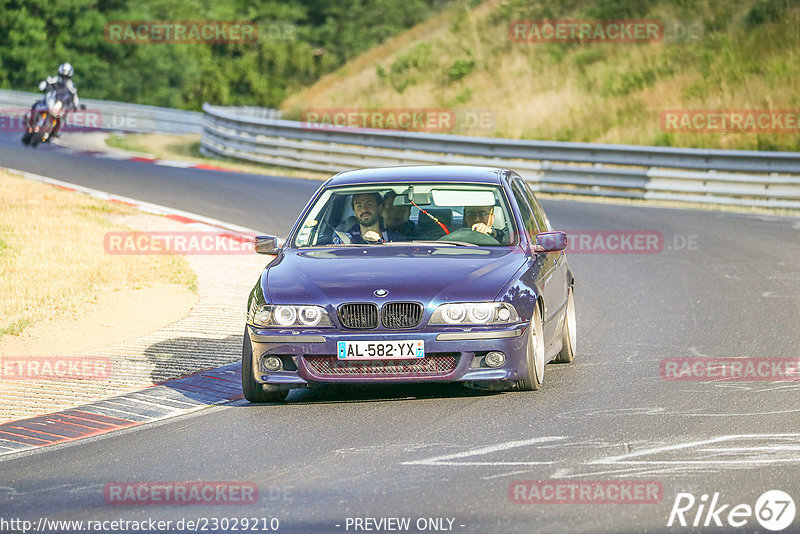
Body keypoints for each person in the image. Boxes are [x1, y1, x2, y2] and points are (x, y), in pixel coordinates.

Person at [334, 192, 406, 244]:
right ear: (355, 212)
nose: (364, 209)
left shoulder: (396, 240)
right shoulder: (343, 241)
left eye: (369, 204)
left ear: (379, 208)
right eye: (359, 206)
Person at [33, 63, 81, 138]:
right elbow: (46, 82)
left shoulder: (71, 85)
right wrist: (43, 85)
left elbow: (75, 95)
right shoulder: (55, 79)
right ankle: (34, 119)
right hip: (51, 100)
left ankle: (58, 129)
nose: (64, 77)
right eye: (63, 75)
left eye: (66, 76)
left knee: (64, 115)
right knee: (38, 105)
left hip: (61, 103)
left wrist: (76, 105)